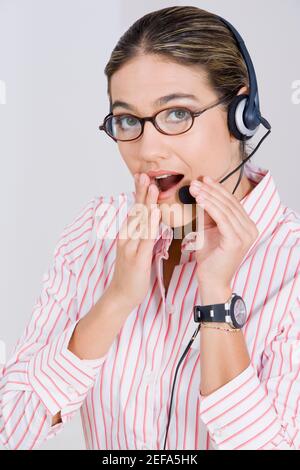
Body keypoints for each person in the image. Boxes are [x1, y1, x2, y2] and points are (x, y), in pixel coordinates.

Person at [0, 6, 299, 451]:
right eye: (127, 121)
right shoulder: (94, 232)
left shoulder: (291, 266)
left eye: (177, 114)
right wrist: (116, 300)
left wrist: (217, 301)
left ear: (243, 114)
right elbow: (9, 429)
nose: (147, 149)